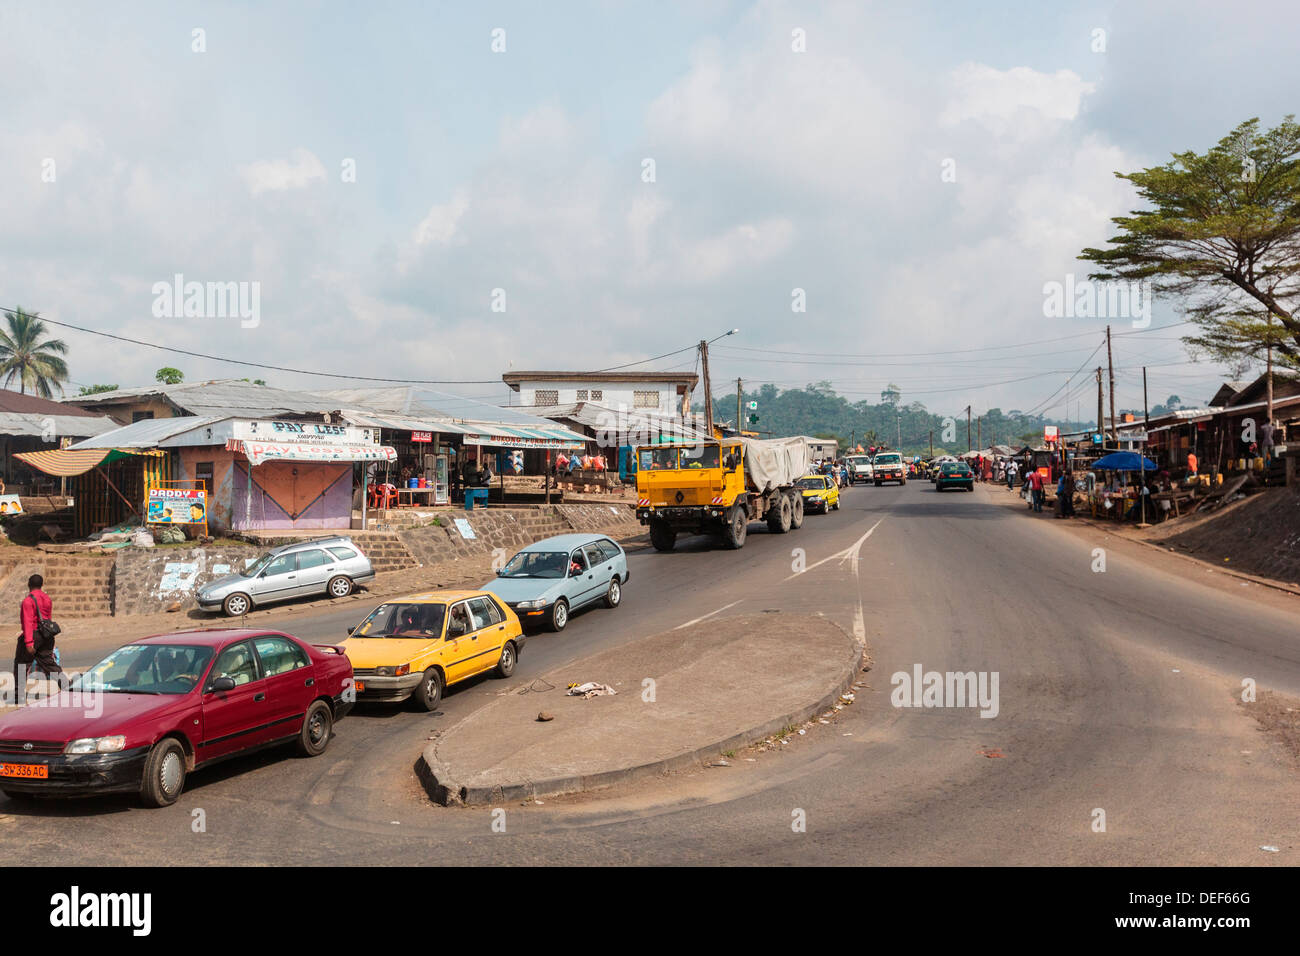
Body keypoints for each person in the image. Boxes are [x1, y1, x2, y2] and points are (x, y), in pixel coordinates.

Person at [15, 573, 60, 703]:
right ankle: (66, 686)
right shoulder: (47, 599)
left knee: (21, 664)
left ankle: (19, 695)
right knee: (49, 663)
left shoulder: (28, 601)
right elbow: (48, 619)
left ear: (29, 584)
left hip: (33, 635)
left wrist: (29, 642)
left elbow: (28, 622)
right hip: (46, 635)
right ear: (41, 585)